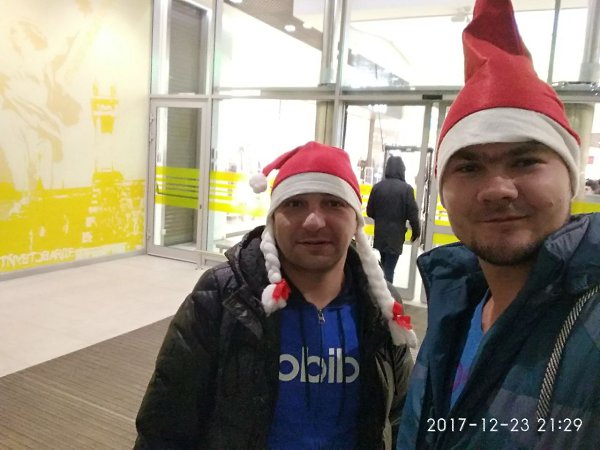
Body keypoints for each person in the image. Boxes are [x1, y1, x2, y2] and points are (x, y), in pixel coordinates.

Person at [397, 0, 600, 448]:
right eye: (469, 167)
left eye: (525, 161)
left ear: (571, 179)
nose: (497, 189)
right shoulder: (455, 306)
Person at [135, 141, 416, 449]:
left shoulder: (381, 307)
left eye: (333, 203)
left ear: (356, 220)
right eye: (295, 204)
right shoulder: (222, 297)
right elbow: (164, 427)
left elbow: (403, 415)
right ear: (272, 219)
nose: (314, 221)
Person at [367, 155, 421, 283]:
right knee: (389, 269)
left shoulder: (377, 187)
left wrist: (381, 217)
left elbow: (370, 211)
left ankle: (381, 291)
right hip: (396, 236)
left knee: (385, 265)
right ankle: (386, 293)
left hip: (380, 233)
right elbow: (413, 214)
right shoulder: (406, 189)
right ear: (402, 170)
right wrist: (416, 231)